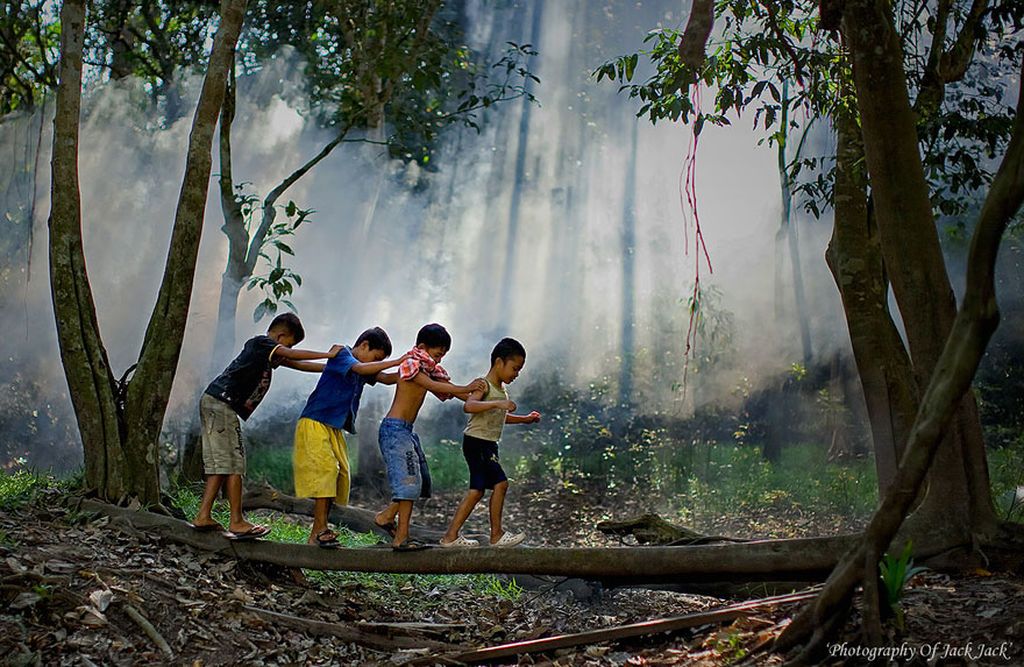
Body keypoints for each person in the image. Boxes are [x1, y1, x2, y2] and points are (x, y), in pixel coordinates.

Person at [189, 313, 341, 540]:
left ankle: (203, 516)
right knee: (234, 465)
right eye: (288, 343)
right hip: (221, 403)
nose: (287, 349)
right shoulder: (261, 343)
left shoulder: (267, 353)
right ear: (280, 336)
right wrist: (328, 354)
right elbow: (290, 354)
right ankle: (237, 521)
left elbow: (296, 363)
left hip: (217, 403)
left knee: (224, 464)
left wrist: (330, 368)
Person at [373, 323, 486, 551]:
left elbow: (446, 390)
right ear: (423, 347)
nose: (440, 360)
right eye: (437, 354)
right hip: (395, 430)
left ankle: (386, 517)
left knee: (418, 480)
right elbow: (432, 385)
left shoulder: (427, 370)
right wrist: (467, 387)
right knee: (409, 482)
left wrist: (481, 400)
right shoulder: (412, 366)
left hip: (405, 431)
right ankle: (401, 538)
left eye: (443, 356)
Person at [293, 327, 406, 548]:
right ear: (364, 345)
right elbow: (361, 368)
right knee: (327, 469)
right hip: (315, 421)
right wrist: (397, 361)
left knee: (341, 474)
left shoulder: (364, 367)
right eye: (376, 357)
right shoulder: (342, 355)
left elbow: (385, 378)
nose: (376, 362)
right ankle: (318, 530)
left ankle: (322, 528)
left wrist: (413, 369)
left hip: (333, 427)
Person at [439, 337, 540, 548]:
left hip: (487, 444)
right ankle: (497, 535)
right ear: (498, 362)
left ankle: (450, 536)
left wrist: (525, 419)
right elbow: (470, 405)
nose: (516, 374)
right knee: (501, 483)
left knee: (477, 491)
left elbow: (498, 416)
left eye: (519, 370)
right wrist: (498, 402)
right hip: (478, 442)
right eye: (514, 368)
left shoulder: (501, 391)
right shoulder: (483, 385)